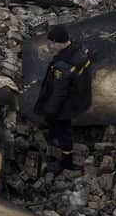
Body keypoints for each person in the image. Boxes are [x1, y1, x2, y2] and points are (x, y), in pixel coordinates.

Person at [35, 25, 92, 172]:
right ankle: (53, 132)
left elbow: (59, 93)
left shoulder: (63, 67)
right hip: (79, 95)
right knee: (56, 123)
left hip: (66, 103)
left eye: (53, 43)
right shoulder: (78, 49)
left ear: (60, 42)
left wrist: (50, 110)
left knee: (63, 130)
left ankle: (66, 161)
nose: (51, 46)